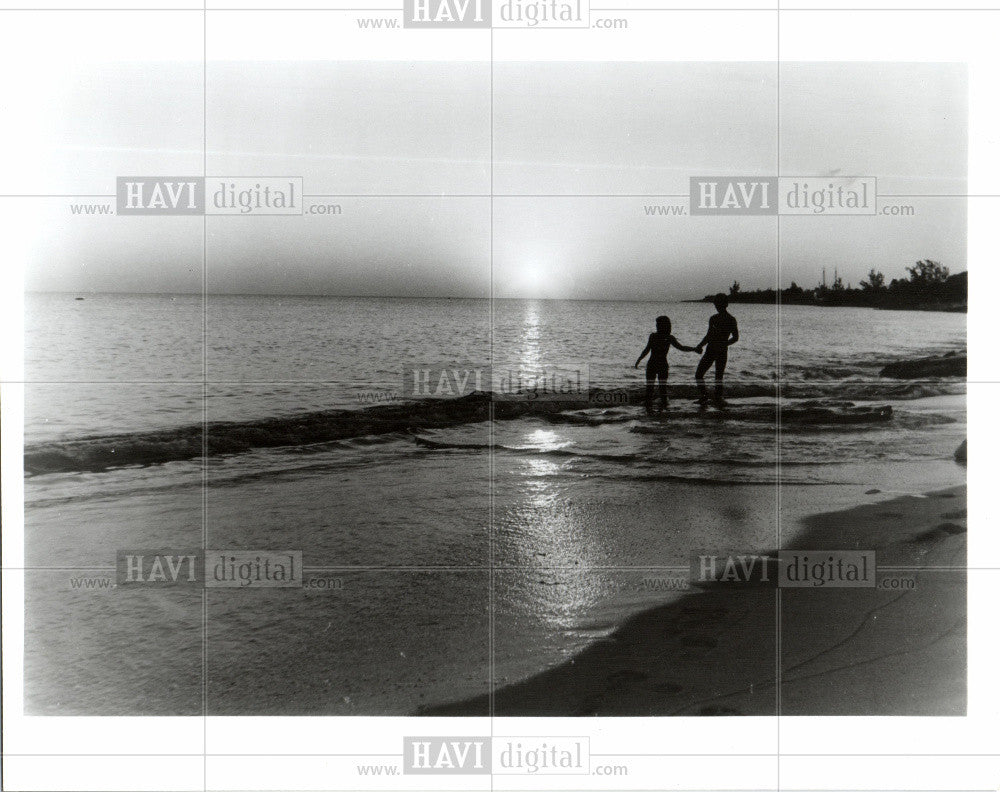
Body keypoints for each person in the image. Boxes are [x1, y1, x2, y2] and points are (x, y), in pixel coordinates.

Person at [634, 316, 697, 412]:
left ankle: (653, 409)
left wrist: (694, 349)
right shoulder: (665, 337)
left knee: (652, 388)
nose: (656, 326)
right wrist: (639, 359)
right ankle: (661, 409)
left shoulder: (660, 337)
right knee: (658, 388)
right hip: (659, 365)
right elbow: (681, 347)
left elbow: (681, 347)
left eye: (658, 324)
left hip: (655, 364)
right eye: (656, 324)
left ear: (662, 326)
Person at [695, 293, 739, 405]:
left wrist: (723, 344)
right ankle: (715, 398)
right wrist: (700, 345)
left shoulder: (723, 319)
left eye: (717, 303)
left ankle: (707, 397)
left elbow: (735, 337)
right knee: (717, 376)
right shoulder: (726, 319)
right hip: (718, 350)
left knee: (701, 374)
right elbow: (734, 338)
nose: (716, 306)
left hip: (715, 349)